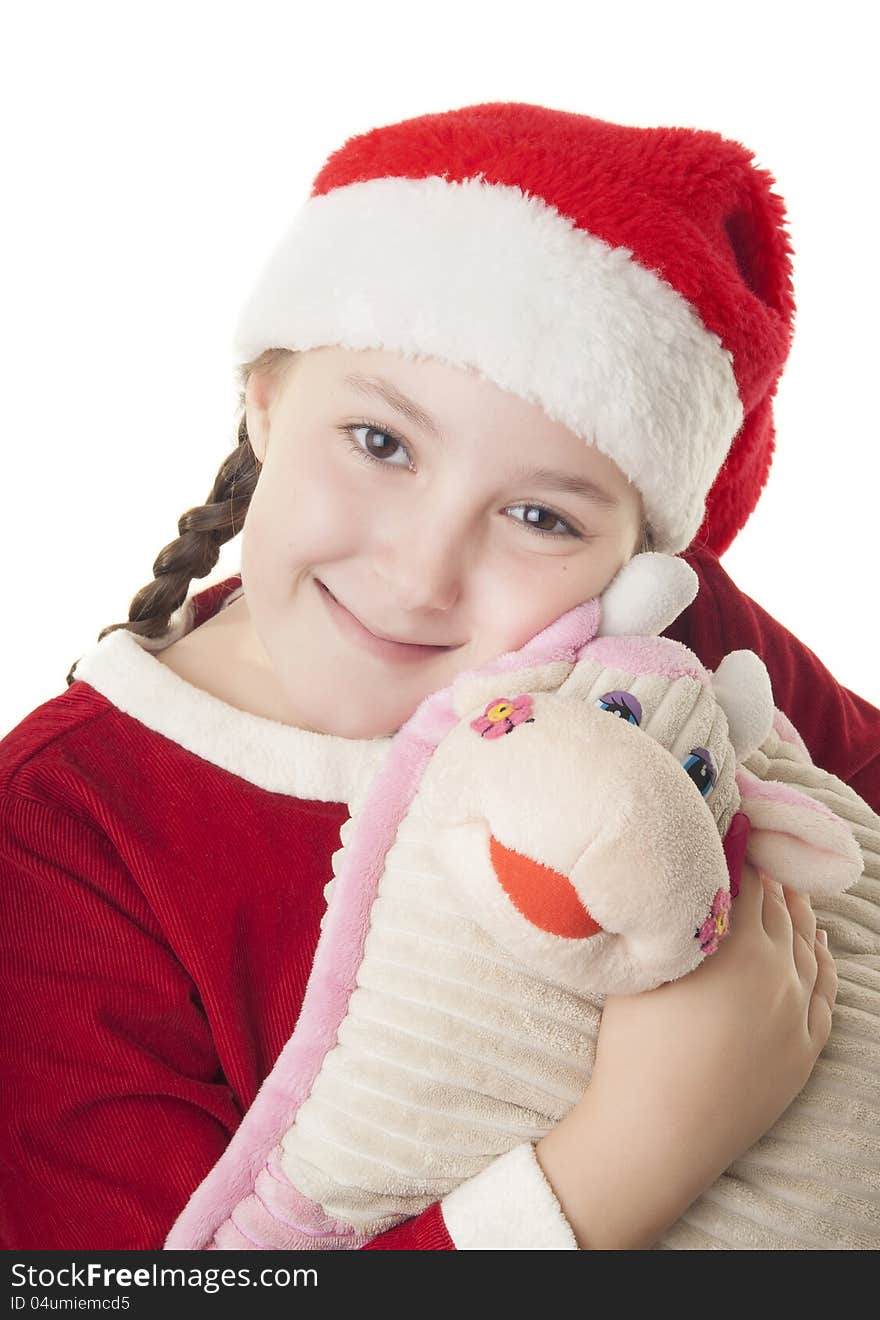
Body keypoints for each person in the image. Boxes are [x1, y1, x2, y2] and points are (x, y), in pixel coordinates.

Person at [1, 102, 878, 1252]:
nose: (419, 575)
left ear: (641, 556)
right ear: (264, 401)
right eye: (381, 443)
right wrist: (640, 1148)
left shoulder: (668, 640)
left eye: (537, 514)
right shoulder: (60, 835)